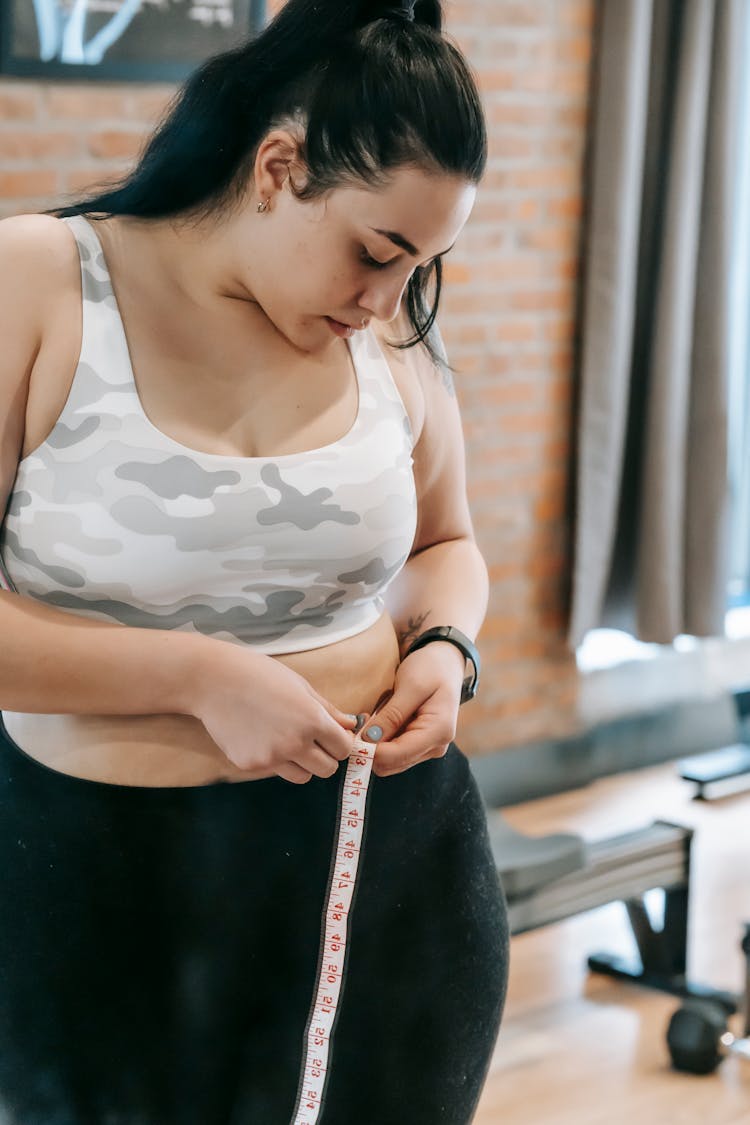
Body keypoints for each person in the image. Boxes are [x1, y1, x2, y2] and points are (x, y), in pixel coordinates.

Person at [0, 0, 509, 1121]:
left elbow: (446, 542)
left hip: (391, 864)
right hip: (98, 881)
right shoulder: (37, 282)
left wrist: (444, 645)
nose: (387, 300)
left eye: (422, 266)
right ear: (279, 166)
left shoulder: (387, 332)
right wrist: (198, 678)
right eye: (375, 252)